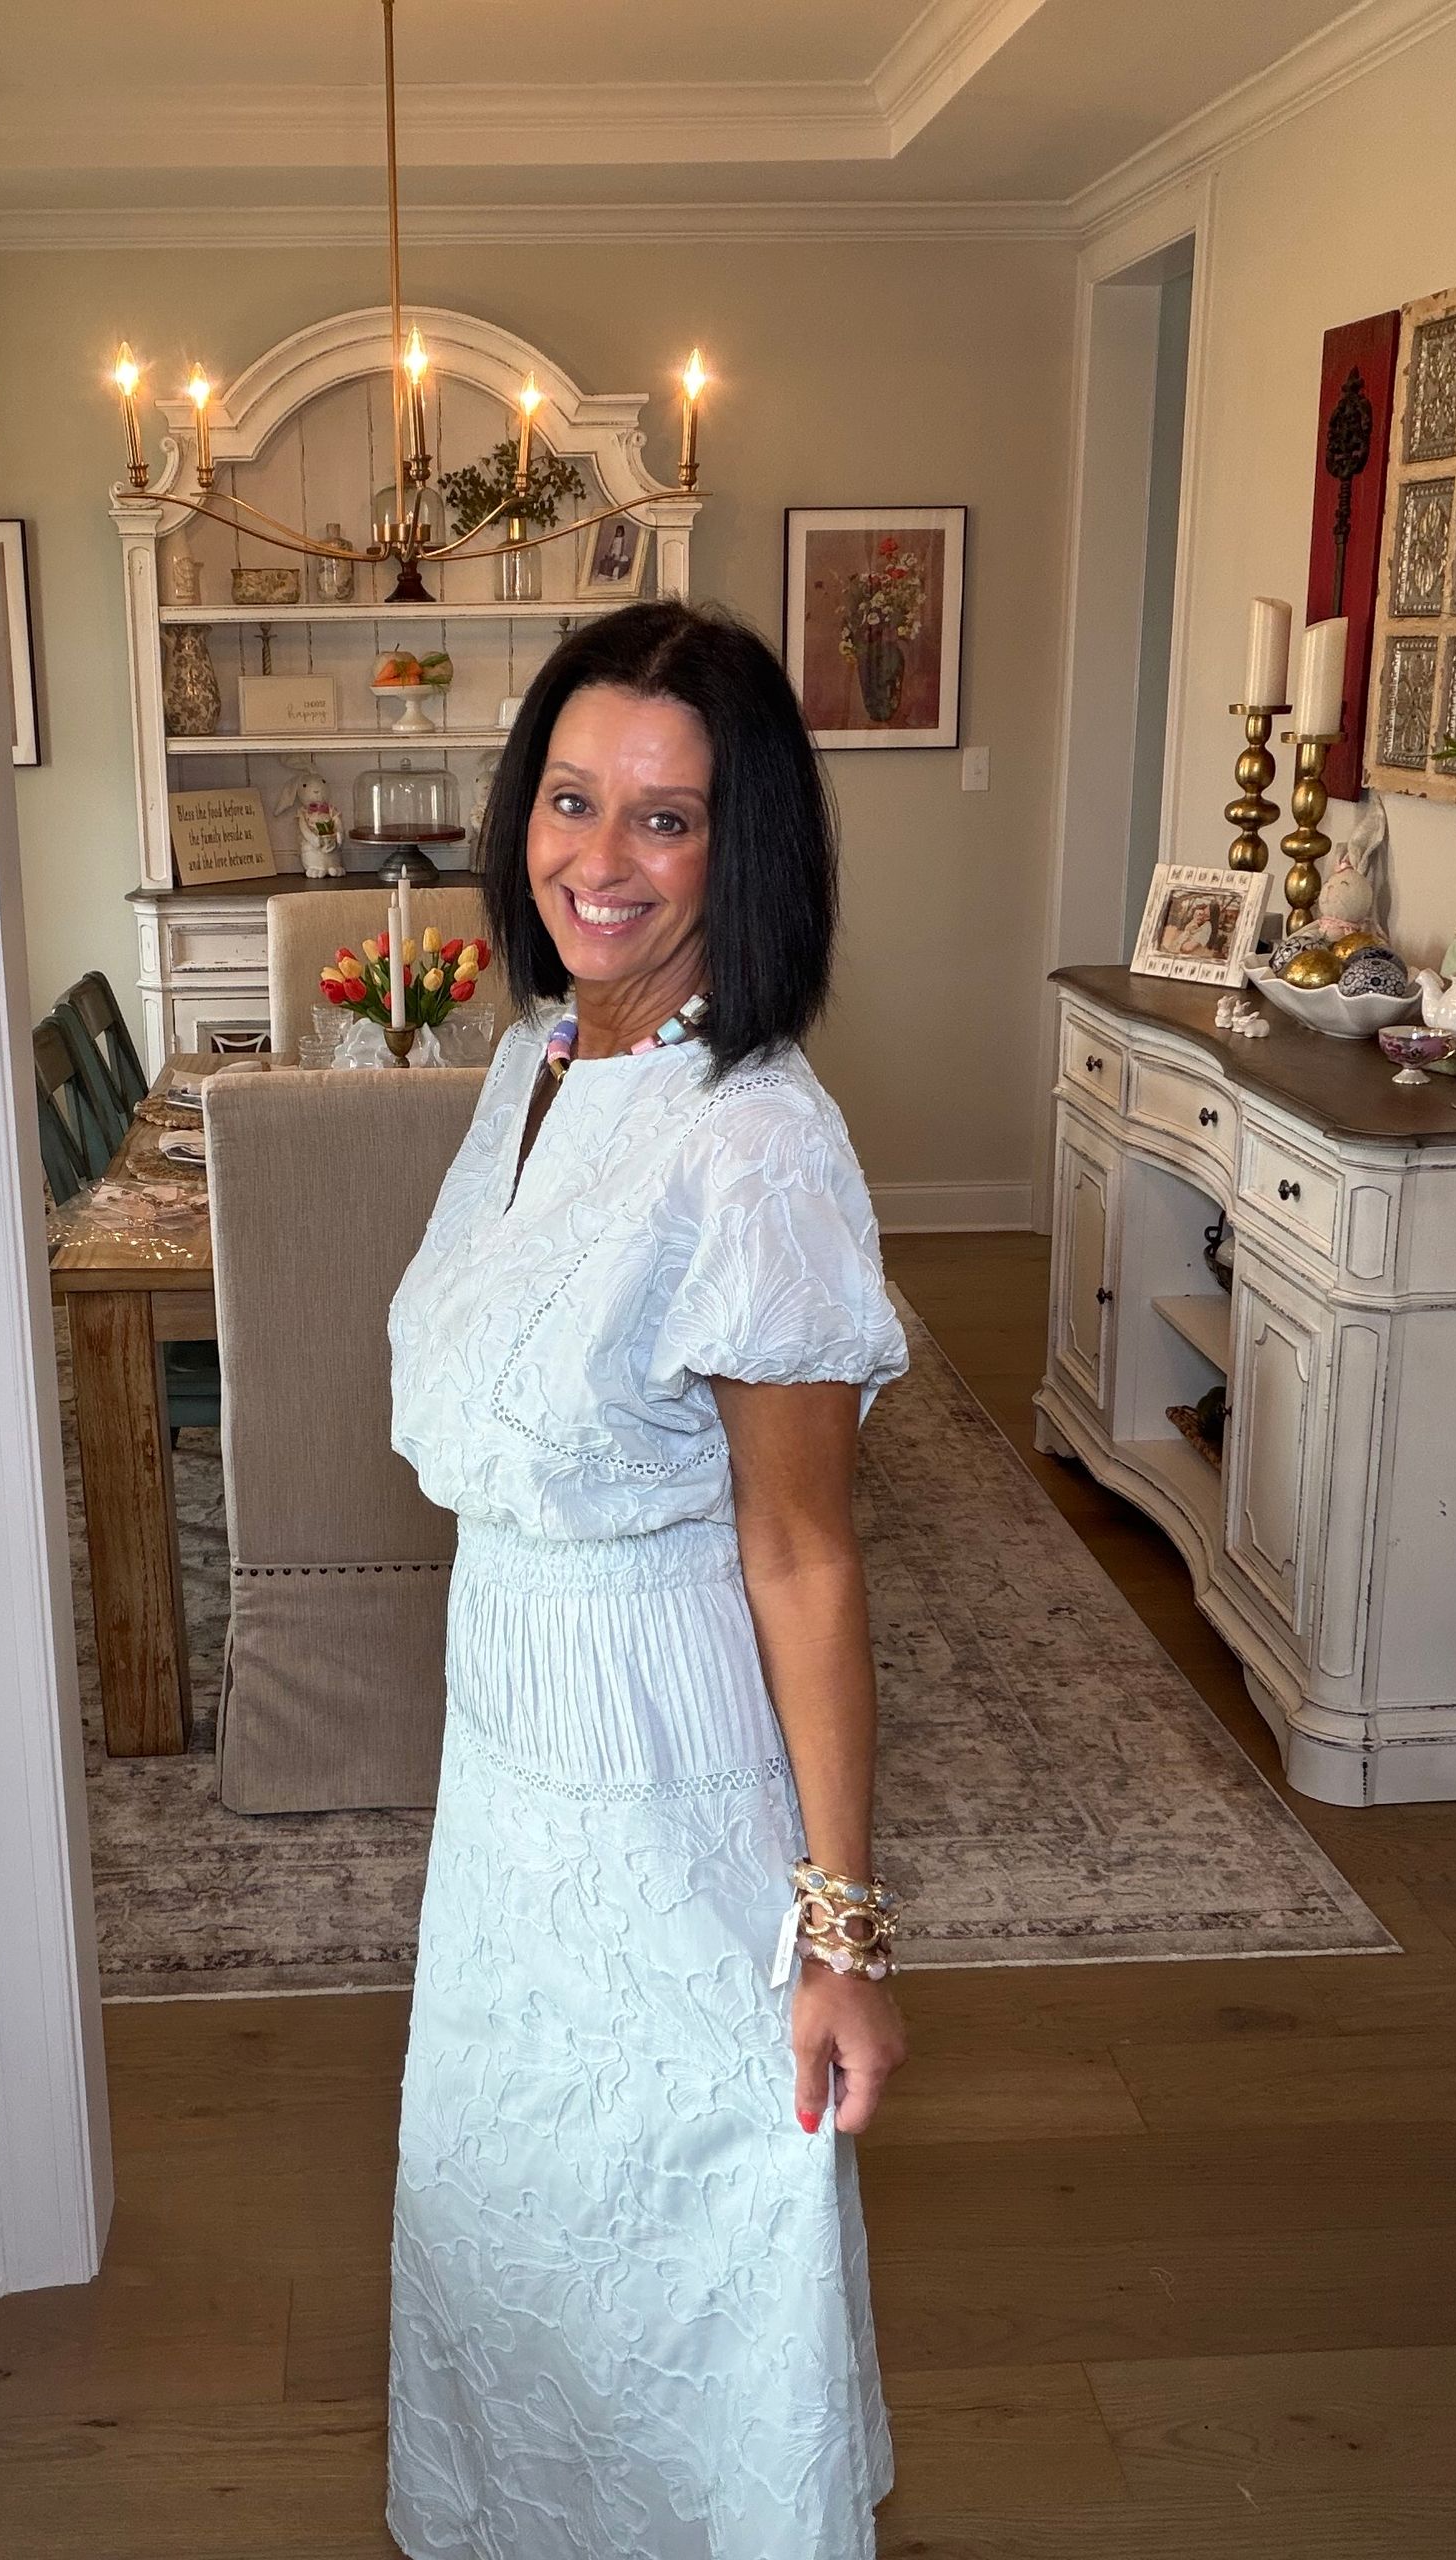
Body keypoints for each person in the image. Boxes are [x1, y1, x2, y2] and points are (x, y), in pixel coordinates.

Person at [386, 599, 910, 2559]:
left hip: (668, 1781)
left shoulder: (753, 1143)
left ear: (743, 846)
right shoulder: (533, 1055)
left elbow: (804, 1547)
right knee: (512, 2193)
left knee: (687, 2223)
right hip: (513, 1758)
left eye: (667, 821)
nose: (599, 860)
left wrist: (843, 1931)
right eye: (573, 798)